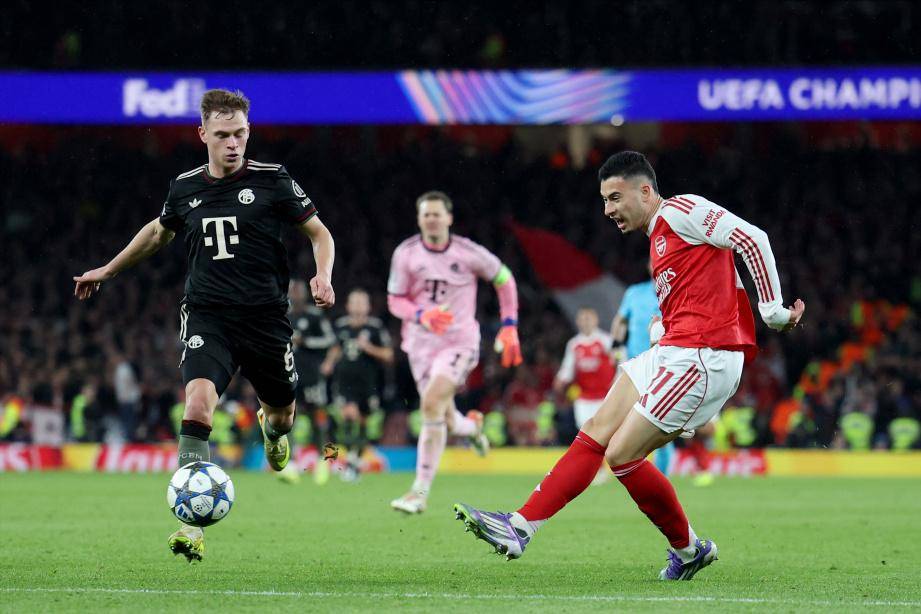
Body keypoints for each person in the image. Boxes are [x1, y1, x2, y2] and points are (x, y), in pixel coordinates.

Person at [454, 151, 804, 581]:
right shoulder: (659, 239)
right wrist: (662, 326)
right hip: (675, 349)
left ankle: (689, 549)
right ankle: (520, 526)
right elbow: (700, 297)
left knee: (621, 455)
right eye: (604, 200)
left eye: (615, 197)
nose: (608, 210)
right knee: (597, 428)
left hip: (702, 356)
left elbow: (752, 239)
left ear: (645, 190)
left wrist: (772, 311)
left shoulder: (681, 211)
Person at [73, 89, 335, 562]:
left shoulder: (273, 180)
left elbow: (319, 232)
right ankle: (190, 526)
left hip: (266, 319)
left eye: (240, 134)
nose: (233, 143)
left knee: (283, 415)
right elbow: (158, 232)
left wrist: (323, 274)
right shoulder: (185, 187)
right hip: (208, 315)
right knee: (196, 402)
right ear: (203, 135)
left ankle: (273, 431)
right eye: (222, 135)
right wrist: (108, 270)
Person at [387, 190, 522, 514]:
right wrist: (422, 315)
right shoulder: (406, 254)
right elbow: (395, 300)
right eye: (426, 214)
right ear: (419, 219)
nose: (432, 220)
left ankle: (419, 493)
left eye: (437, 214)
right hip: (420, 345)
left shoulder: (468, 252)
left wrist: (509, 325)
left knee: (431, 404)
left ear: (449, 218)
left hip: (458, 343)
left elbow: (504, 279)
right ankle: (472, 428)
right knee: (443, 416)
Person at [322, 288, 394, 481]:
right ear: (348, 306)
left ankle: (353, 461)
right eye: (355, 302)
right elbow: (336, 348)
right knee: (348, 416)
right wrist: (329, 362)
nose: (358, 306)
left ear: (368, 307)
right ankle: (348, 459)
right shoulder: (341, 326)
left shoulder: (375, 328)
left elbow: (389, 354)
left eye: (362, 303)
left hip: (368, 383)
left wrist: (368, 347)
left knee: (363, 422)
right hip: (344, 382)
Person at [611, 264, 676, 474]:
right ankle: (630, 467)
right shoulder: (634, 292)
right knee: (621, 417)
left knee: (659, 422)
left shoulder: (677, 287)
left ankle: (662, 474)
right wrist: (616, 345)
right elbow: (620, 321)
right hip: (635, 365)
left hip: (665, 365)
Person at [288, 279, 337, 483]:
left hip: (312, 376)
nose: (296, 295)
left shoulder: (315, 316)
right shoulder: (283, 316)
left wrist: (306, 341)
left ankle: (327, 461)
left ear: (305, 294)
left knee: (320, 418)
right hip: (289, 376)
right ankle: (290, 464)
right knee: (288, 418)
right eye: (292, 291)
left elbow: (330, 340)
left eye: (299, 291)